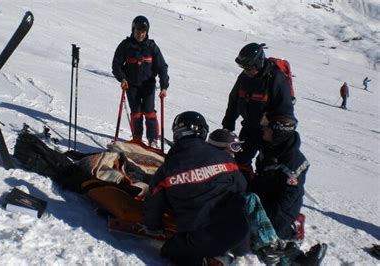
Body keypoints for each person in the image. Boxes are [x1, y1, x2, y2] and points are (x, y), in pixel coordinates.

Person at [144, 112, 326, 265]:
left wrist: (153, 227)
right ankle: (287, 258)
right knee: (248, 201)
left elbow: (154, 204)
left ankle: (216, 259)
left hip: (202, 239)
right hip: (238, 234)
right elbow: (242, 188)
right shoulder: (224, 158)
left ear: (177, 134)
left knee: (169, 250)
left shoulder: (167, 170)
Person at [221, 43, 296, 182]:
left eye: (248, 67)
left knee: (265, 166)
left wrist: (275, 136)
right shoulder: (244, 77)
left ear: (259, 63)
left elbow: (285, 111)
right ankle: (246, 184)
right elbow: (234, 101)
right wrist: (228, 125)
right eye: (242, 67)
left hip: (270, 133)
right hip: (250, 128)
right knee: (240, 159)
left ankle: (262, 192)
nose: (245, 70)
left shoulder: (276, 79)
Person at [112, 15, 169, 148]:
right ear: (133, 30)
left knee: (149, 112)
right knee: (136, 113)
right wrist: (122, 78)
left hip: (148, 85)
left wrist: (164, 86)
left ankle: (153, 140)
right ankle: (137, 139)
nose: (140, 35)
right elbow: (116, 64)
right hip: (131, 85)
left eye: (143, 32)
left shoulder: (152, 47)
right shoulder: (126, 45)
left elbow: (162, 67)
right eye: (138, 31)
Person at [251, 114, 309, 241]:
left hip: (282, 207)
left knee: (271, 234)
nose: (263, 130)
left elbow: (289, 196)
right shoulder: (268, 147)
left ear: (278, 133)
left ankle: (294, 227)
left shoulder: (293, 161)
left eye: (267, 128)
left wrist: (269, 216)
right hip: (265, 193)